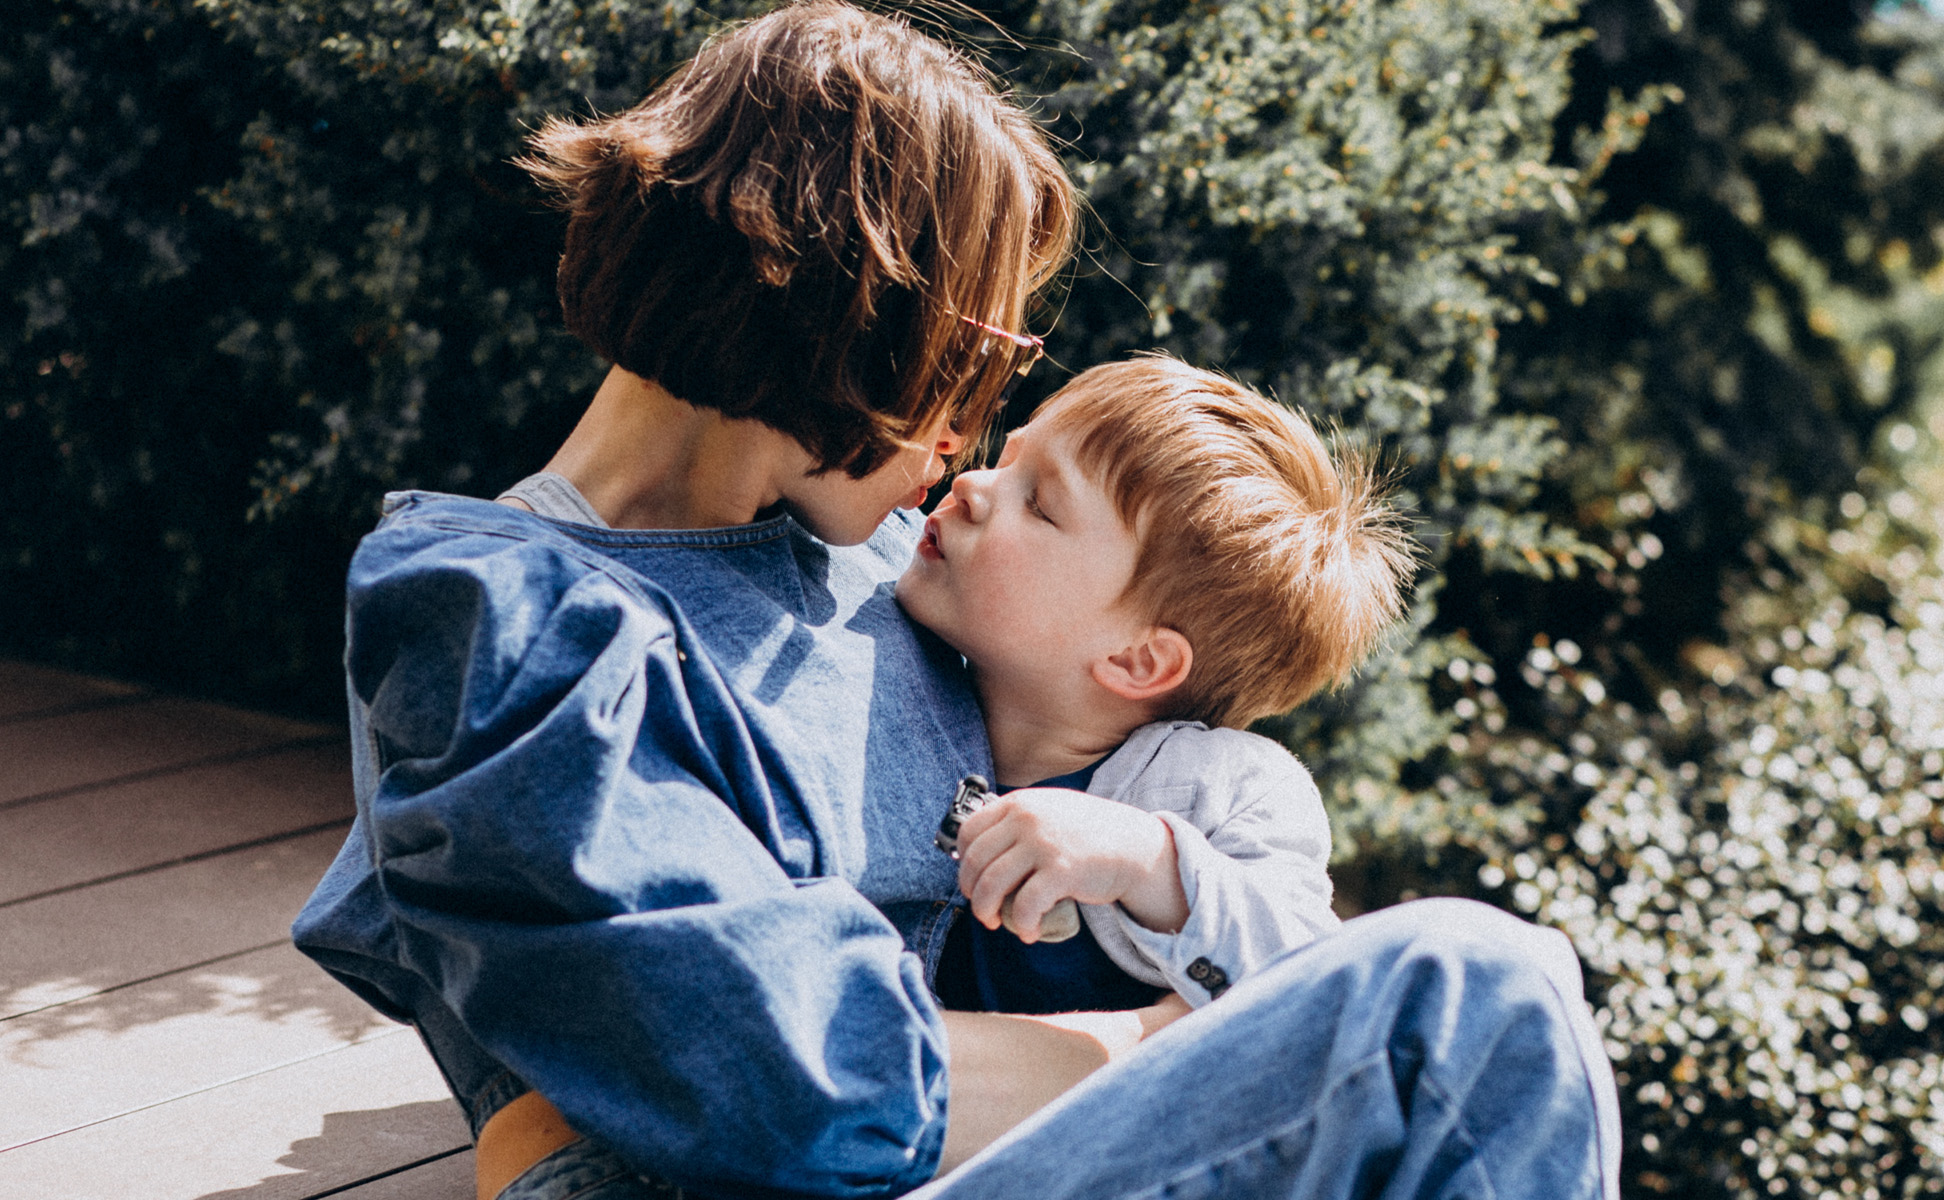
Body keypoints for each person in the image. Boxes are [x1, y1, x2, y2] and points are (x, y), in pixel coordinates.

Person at [289, 4, 1625, 1199]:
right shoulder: (503, 620)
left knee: (1486, 1003)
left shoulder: (887, 571)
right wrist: (1191, 1042)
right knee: (1468, 994)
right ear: (802, 274)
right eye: (987, 358)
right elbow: (799, 1081)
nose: (968, 452)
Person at [898, 356, 1412, 1016]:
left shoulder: (1224, 788)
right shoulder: (907, 656)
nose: (972, 484)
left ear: (1138, 661)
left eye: (1039, 505)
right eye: (1007, 459)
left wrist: (1147, 862)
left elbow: (1313, 982)